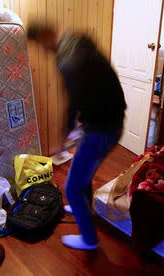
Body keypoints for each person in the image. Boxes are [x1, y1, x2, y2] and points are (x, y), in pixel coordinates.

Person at [27, 24, 126, 250]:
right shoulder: (78, 42)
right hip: (112, 123)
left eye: (40, 45)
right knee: (85, 172)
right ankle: (83, 205)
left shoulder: (67, 59)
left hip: (100, 130)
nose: (43, 50)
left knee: (71, 188)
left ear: (45, 36)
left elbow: (72, 103)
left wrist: (63, 139)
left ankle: (89, 240)